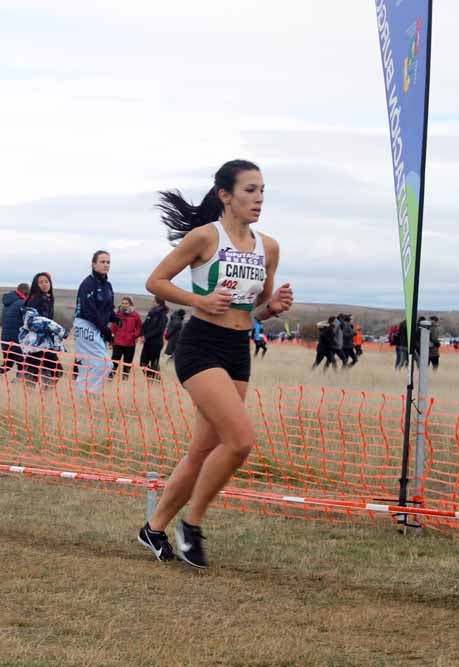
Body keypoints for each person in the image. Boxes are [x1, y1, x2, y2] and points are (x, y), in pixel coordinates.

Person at [139, 159, 293, 568]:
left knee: (203, 450)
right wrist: (198, 300)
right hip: (200, 346)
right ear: (226, 195)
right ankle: (192, 525)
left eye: (262, 190)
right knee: (240, 441)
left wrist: (272, 307)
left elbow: (255, 304)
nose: (258, 198)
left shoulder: (269, 247)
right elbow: (155, 281)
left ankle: (153, 528)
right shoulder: (205, 237)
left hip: (237, 348)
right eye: (249, 190)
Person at [73, 251, 118, 394]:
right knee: (105, 364)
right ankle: (90, 393)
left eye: (108, 262)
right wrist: (104, 329)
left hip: (98, 326)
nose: (106, 265)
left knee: (89, 364)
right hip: (85, 324)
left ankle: (80, 397)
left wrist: (115, 318)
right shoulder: (88, 283)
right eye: (102, 262)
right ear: (94, 264)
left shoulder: (108, 285)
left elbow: (108, 308)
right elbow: (89, 310)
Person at [22, 272, 62, 388]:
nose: (44, 284)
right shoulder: (35, 299)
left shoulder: (48, 299)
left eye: (46, 281)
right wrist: (57, 329)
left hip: (46, 341)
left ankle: (43, 395)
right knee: (33, 373)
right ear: (36, 285)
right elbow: (33, 322)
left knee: (55, 371)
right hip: (36, 341)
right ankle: (28, 398)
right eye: (41, 282)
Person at [0, 282, 29, 380]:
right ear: (26, 292)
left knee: (7, 364)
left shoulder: (7, 304)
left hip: (5, 339)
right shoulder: (22, 303)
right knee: (23, 365)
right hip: (16, 340)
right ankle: (16, 385)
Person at [109, 297, 142, 380]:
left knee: (127, 364)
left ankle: (125, 380)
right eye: (123, 303)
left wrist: (133, 335)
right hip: (118, 343)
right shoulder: (118, 314)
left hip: (130, 344)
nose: (124, 305)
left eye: (126, 303)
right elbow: (113, 328)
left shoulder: (135, 315)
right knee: (114, 362)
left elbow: (139, 328)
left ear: (130, 304)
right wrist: (112, 339)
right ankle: (110, 378)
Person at [139, 296, 168, 380]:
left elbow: (159, 329)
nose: (152, 302)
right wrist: (142, 334)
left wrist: (146, 336)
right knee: (142, 363)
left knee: (154, 363)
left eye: (153, 301)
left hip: (156, 343)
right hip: (147, 342)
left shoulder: (163, 315)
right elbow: (145, 325)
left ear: (158, 303)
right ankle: (150, 376)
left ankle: (155, 379)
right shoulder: (151, 313)